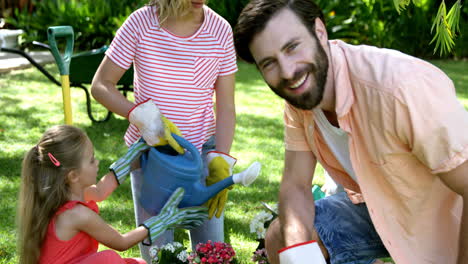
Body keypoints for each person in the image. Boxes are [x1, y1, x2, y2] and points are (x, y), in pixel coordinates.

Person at [233, 0, 468, 264]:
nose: (288, 72)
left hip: (448, 223)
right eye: (269, 63)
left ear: (319, 32)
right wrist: (300, 257)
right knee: (281, 238)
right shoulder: (300, 98)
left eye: (292, 47)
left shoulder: (401, 88)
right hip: (379, 206)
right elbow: (296, 186)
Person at [91, 0, 237, 261]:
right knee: (156, 251)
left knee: (212, 253)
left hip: (201, 157)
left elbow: (225, 107)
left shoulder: (220, 30)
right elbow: (101, 85)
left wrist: (220, 158)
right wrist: (143, 118)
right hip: (150, 155)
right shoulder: (141, 23)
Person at [17, 125, 207, 264]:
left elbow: (101, 191)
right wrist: (162, 220)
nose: (97, 162)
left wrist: (134, 153)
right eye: (91, 160)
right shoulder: (77, 215)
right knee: (109, 260)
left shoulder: (65, 194)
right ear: (73, 175)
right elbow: (121, 242)